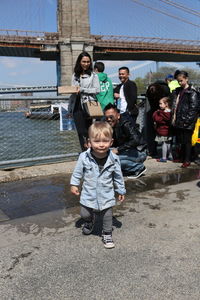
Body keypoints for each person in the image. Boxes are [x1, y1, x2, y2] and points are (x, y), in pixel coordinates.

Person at [70, 121, 126, 249]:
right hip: (88, 194)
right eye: (97, 141)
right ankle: (90, 221)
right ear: (89, 142)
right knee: (85, 213)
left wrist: (121, 190)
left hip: (106, 194)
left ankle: (107, 233)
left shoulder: (114, 159)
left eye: (105, 141)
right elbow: (77, 172)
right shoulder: (84, 157)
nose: (101, 145)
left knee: (107, 216)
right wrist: (74, 184)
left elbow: (118, 176)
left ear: (111, 142)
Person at [104, 103, 147, 178]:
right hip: (126, 151)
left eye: (111, 117)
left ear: (118, 116)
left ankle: (139, 168)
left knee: (113, 160)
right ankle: (126, 169)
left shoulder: (126, 123)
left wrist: (118, 150)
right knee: (104, 154)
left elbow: (136, 140)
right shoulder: (110, 125)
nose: (109, 119)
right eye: (106, 117)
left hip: (139, 152)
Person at [69, 52, 100, 151]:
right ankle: (85, 153)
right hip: (76, 106)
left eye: (88, 62)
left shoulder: (93, 75)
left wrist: (82, 89)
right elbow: (72, 93)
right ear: (79, 62)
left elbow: (97, 90)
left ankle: (91, 152)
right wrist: (70, 109)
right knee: (80, 132)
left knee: (88, 131)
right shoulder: (75, 75)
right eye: (83, 61)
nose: (86, 64)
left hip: (88, 106)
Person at [171, 70, 199, 168]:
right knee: (181, 140)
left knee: (187, 141)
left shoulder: (192, 92)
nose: (180, 83)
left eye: (181, 80)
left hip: (186, 121)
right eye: (178, 81)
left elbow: (194, 108)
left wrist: (187, 121)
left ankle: (187, 159)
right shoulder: (178, 91)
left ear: (186, 79)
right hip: (179, 120)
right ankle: (183, 157)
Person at [145, 80, 170, 157]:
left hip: (165, 109)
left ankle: (168, 153)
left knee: (166, 133)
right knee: (151, 130)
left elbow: (168, 102)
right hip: (154, 110)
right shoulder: (149, 92)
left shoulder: (165, 89)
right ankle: (153, 150)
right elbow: (151, 106)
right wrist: (155, 116)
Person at [153, 97, 173, 162]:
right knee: (168, 143)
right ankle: (170, 155)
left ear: (166, 104)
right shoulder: (170, 112)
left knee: (164, 143)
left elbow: (157, 119)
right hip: (168, 130)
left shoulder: (162, 113)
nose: (159, 105)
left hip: (162, 130)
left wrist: (157, 113)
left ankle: (164, 157)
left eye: (161, 104)